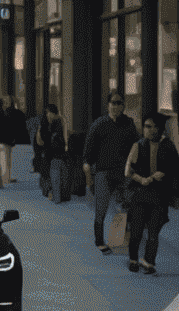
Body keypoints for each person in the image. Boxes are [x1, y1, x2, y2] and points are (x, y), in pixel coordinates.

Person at [83, 92, 140, 253]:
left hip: (123, 173)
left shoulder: (128, 124)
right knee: (101, 208)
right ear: (108, 105)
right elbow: (89, 150)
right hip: (104, 173)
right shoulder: (99, 124)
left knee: (122, 207)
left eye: (119, 103)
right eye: (113, 103)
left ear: (123, 106)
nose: (115, 106)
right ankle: (99, 240)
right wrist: (88, 169)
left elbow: (136, 146)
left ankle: (116, 239)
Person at [123, 115, 178, 274]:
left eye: (151, 126)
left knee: (153, 233)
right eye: (146, 126)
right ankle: (133, 260)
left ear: (158, 128)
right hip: (140, 195)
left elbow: (174, 168)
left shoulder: (167, 146)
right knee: (136, 231)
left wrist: (160, 176)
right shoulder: (138, 145)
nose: (148, 129)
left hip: (159, 196)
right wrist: (142, 179)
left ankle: (149, 262)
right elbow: (128, 170)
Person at [36, 103, 70, 202]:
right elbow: (40, 142)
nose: (47, 115)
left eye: (49, 113)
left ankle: (56, 195)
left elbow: (65, 137)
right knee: (50, 175)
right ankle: (51, 192)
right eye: (46, 113)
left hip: (57, 153)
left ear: (54, 113)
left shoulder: (60, 122)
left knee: (57, 175)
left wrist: (65, 147)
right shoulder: (44, 123)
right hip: (48, 153)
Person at [3, 97, 31, 182]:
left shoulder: (5, 113)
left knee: (7, 158)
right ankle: (10, 176)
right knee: (13, 159)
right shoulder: (20, 113)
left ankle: (7, 176)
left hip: (7, 138)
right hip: (18, 139)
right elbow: (23, 126)